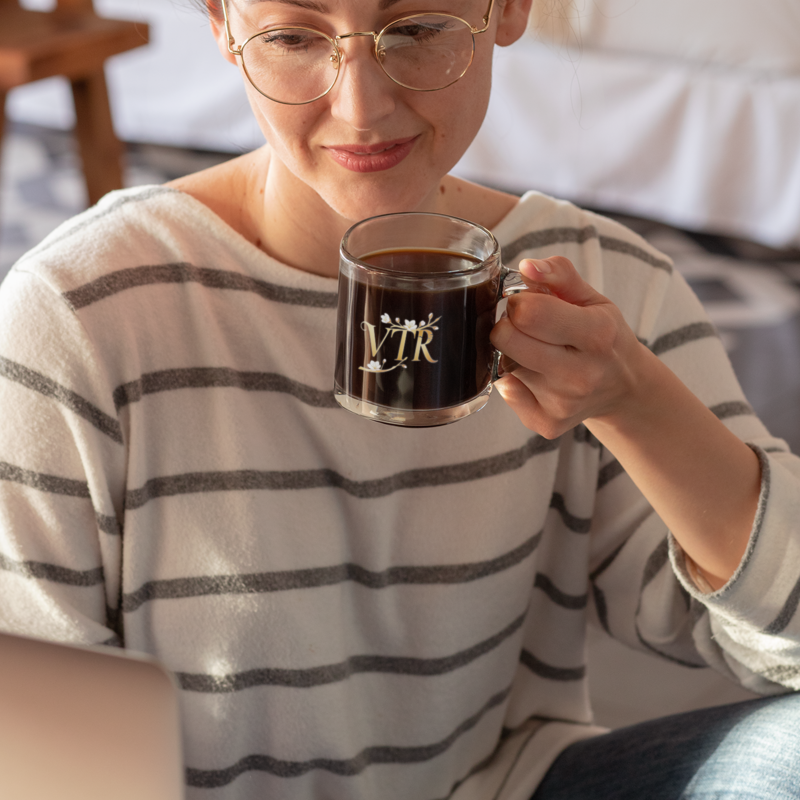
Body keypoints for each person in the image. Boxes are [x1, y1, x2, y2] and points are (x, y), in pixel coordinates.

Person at [1, 0, 799, 798]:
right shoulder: (80, 313)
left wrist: (638, 404)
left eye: (417, 28)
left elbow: (787, 643)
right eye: (292, 37)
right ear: (222, 25)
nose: (361, 108)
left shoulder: (603, 288)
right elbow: (34, 744)